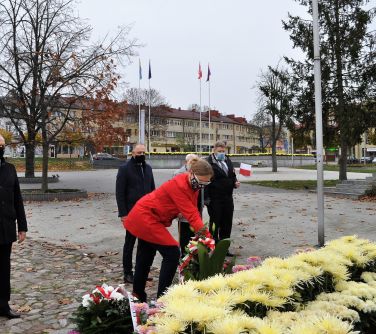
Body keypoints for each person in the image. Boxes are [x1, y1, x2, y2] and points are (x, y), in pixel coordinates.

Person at [124, 158, 213, 302]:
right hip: (146, 217)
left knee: (145, 256)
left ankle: (138, 295)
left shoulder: (193, 185)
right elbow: (191, 213)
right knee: (172, 253)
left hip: (150, 217)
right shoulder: (180, 185)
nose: (201, 186)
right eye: (200, 182)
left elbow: (190, 209)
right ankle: (163, 298)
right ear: (191, 173)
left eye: (205, 184)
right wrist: (209, 240)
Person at [116, 144, 155, 284]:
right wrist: (123, 214)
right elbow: (120, 193)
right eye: (139, 152)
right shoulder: (125, 169)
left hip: (146, 213)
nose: (141, 154)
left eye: (143, 152)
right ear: (132, 153)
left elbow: (153, 191)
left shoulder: (148, 168)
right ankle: (127, 273)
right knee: (130, 243)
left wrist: (154, 209)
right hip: (131, 213)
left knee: (144, 244)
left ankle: (141, 272)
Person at [0, 135, 27, 319]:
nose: (1, 148)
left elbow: (17, 198)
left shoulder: (10, 169)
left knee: (4, 269)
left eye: (2, 145)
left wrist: (22, 226)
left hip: (6, 227)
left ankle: (3, 305)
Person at [205, 141, 240, 256]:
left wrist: (235, 182)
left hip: (228, 198)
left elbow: (232, 175)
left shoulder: (227, 160)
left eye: (223, 151)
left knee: (227, 224)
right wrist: (206, 199)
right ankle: (212, 248)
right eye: (219, 151)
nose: (222, 153)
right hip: (214, 199)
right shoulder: (208, 162)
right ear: (214, 150)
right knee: (215, 224)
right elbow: (205, 181)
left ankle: (224, 248)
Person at [173, 153, 201, 256]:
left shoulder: (198, 172)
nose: (194, 164)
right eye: (192, 161)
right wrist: (177, 210)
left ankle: (194, 255)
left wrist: (203, 202)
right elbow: (175, 194)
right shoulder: (178, 173)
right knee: (185, 234)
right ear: (186, 162)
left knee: (195, 233)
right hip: (183, 210)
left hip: (196, 208)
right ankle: (184, 256)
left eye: (196, 161)